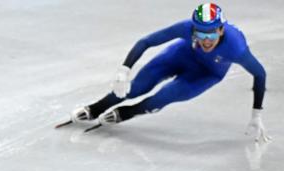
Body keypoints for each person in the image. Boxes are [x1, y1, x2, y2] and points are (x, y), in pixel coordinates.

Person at [69, 3, 271, 143]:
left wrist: (256, 114)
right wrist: (124, 70)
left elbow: (260, 74)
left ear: (220, 30)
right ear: (194, 30)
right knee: (136, 87)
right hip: (181, 55)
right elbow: (146, 41)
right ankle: (96, 108)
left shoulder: (235, 47)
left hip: (207, 74)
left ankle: (127, 113)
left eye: (210, 34)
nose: (206, 40)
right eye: (200, 33)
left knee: (163, 96)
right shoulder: (187, 28)